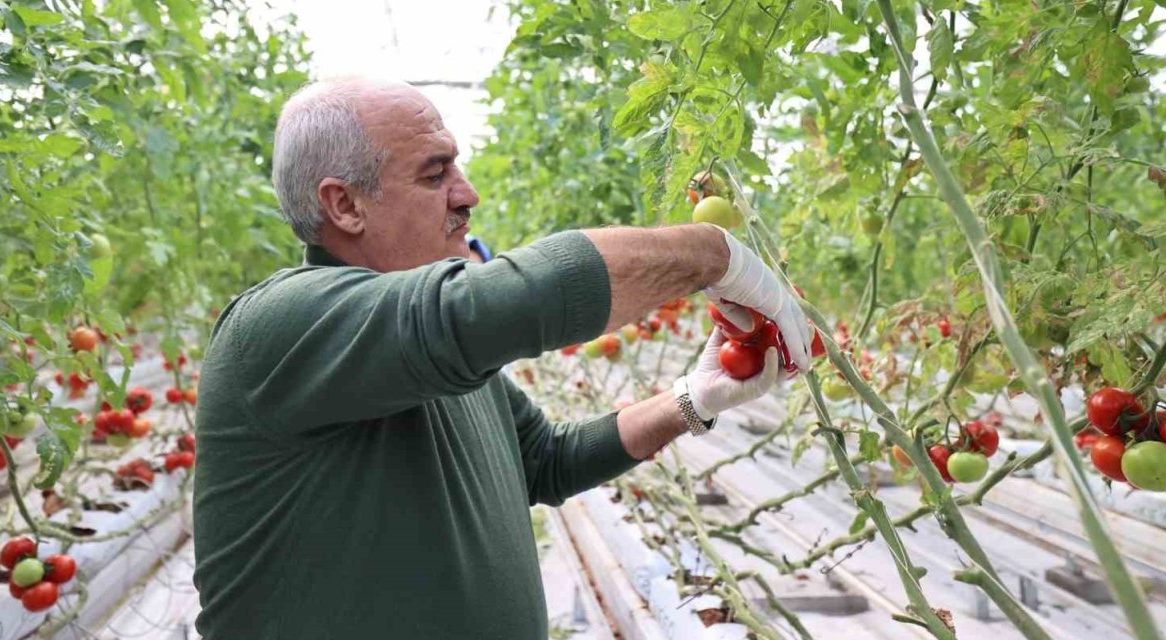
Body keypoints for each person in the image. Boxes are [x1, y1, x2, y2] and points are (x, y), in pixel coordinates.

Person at [191, 77, 813, 640]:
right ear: (345, 205)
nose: (469, 194)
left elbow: (545, 460)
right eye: (435, 176)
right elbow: (505, 301)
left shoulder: (426, 353)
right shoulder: (281, 324)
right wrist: (714, 254)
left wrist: (689, 401)